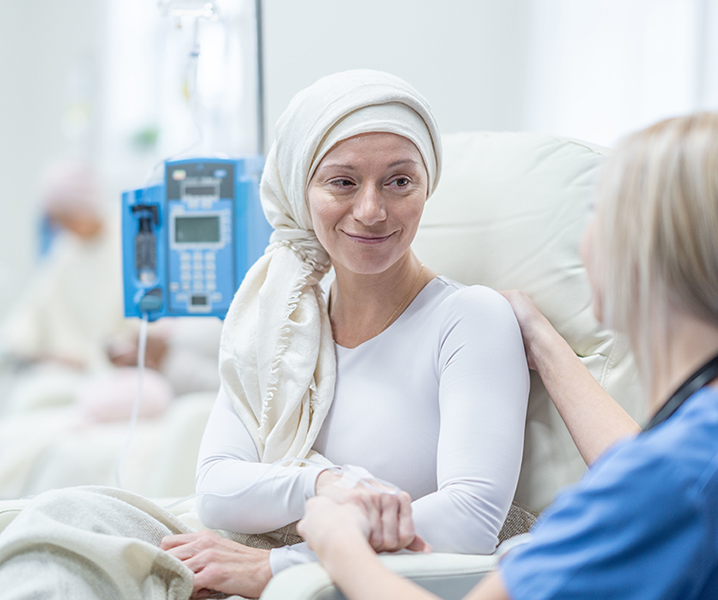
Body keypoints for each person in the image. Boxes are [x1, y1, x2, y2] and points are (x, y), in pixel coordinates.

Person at [0, 70, 529, 600]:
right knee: (54, 518)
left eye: (399, 181)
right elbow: (217, 490)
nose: (371, 210)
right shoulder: (279, 327)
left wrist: (278, 565)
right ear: (302, 192)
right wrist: (328, 484)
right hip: (237, 541)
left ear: (426, 185)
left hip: (318, 571)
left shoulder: (469, 318)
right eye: (342, 182)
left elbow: (471, 517)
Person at [295, 112, 718, 600]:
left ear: (644, 253)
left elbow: (653, 484)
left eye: (598, 214)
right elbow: (648, 466)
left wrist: (337, 540)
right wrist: (544, 343)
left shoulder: (666, 483)